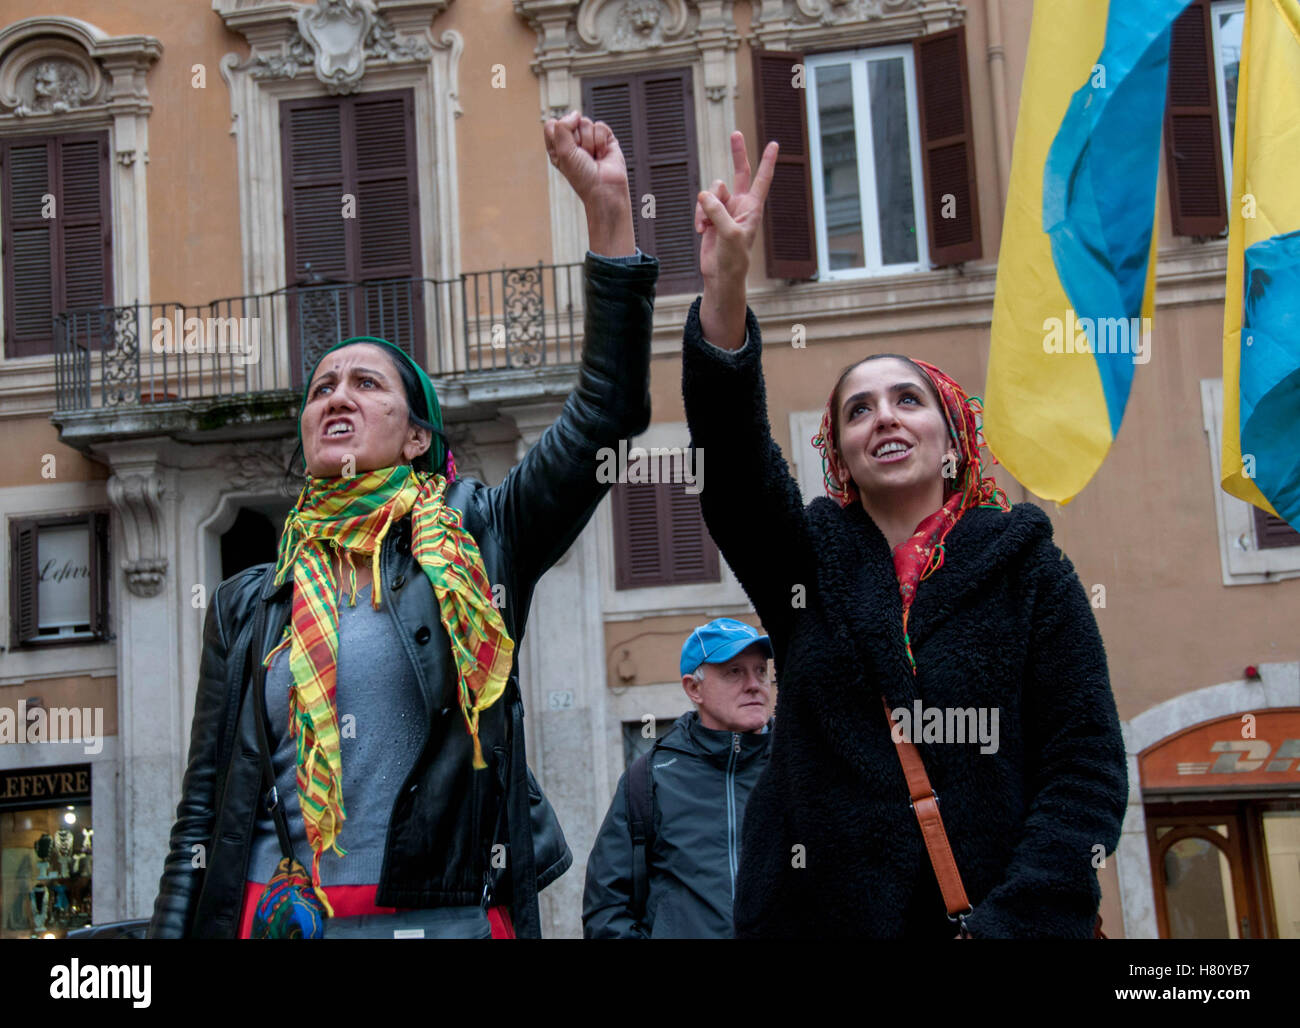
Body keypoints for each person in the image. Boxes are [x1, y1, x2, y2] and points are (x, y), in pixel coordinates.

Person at [148, 111, 660, 938]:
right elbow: (204, 803)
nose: (337, 396)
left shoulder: (480, 541)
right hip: (271, 920)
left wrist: (608, 223)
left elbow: (605, 415)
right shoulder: (248, 601)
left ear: (417, 437)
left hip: (439, 917)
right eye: (321, 389)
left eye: (365, 384)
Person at [679, 131, 1128, 938]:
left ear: (953, 441)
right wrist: (726, 291)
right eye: (858, 409)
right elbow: (736, 472)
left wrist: (1015, 923)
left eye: (907, 399)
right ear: (842, 456)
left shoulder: (1031, 568)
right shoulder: (805, 559)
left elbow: (1086, 768)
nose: (883, 414)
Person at [583, 618, 774, 938]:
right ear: (693, 688)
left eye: (761, 671)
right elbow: (606, 906)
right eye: (735, 672)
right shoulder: (649, 778)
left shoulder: (798, 769)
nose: (754, 684)